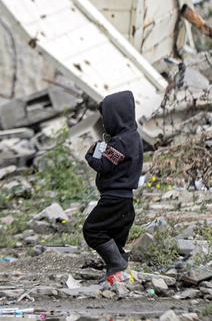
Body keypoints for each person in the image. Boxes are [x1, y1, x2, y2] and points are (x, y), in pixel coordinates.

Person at [82, 90, 143, 286]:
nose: (105, 123)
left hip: (113, 198)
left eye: (107, 118)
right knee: (114, 237)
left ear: (116, 116)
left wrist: (91, 156)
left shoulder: (120, 142)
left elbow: (104, 166)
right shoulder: (134, 137)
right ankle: (116, 271)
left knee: (92, 230)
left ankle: (116, 263)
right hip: (126, 199)